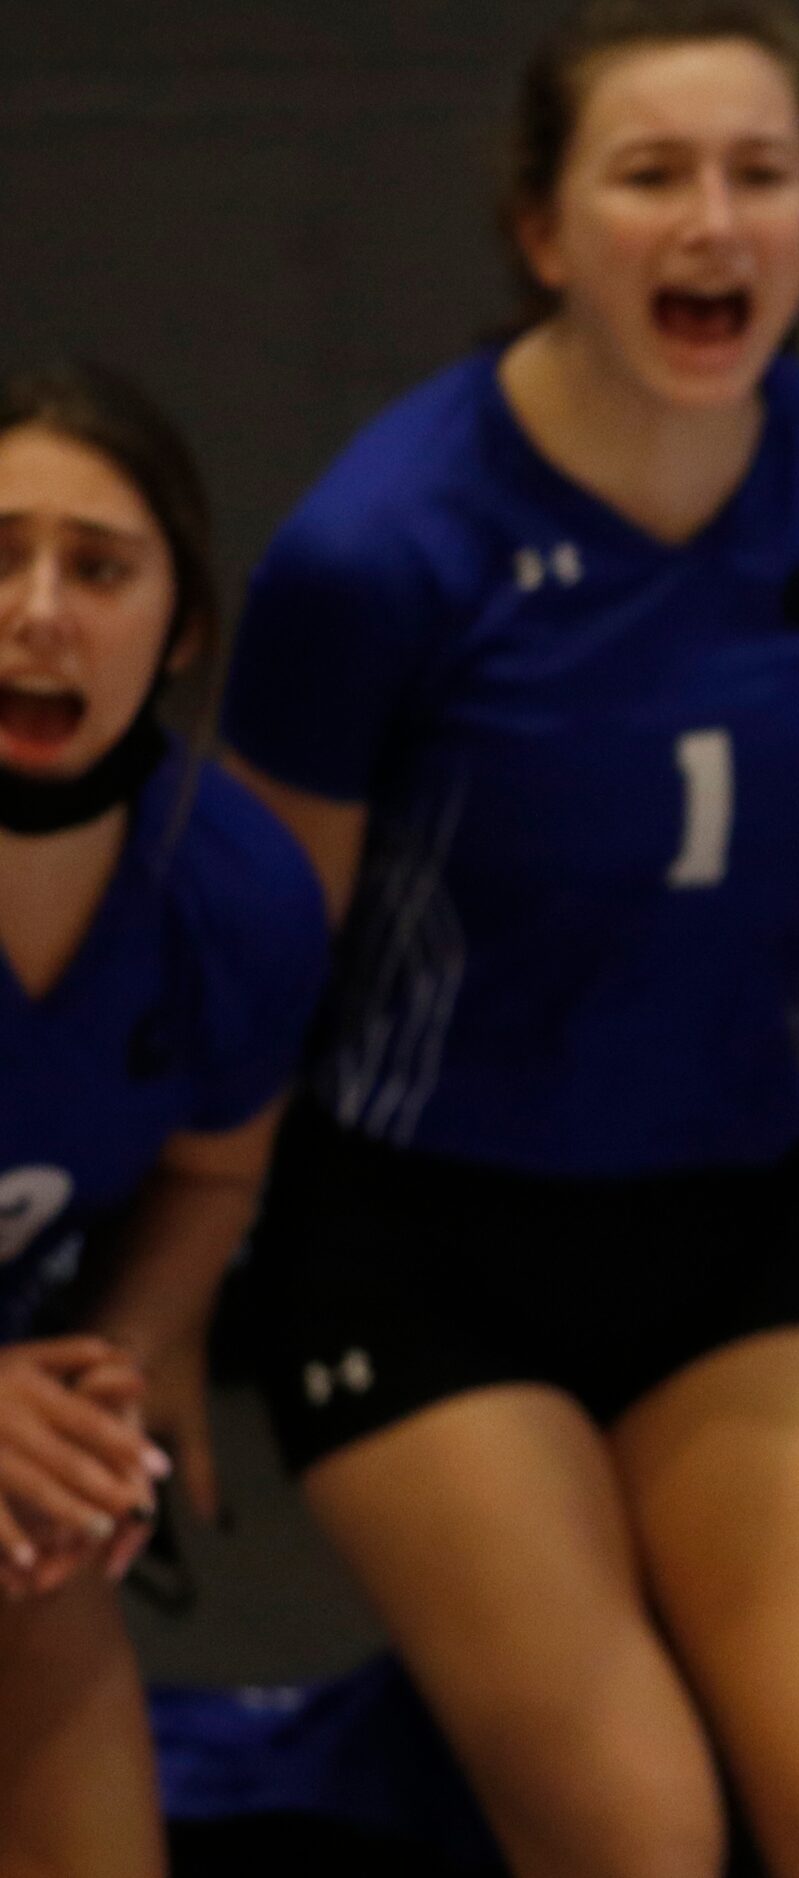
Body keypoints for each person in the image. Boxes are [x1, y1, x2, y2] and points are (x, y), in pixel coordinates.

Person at [218, 5, 799, 1873]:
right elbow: (256, 964)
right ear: (541, 227)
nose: (712, 224)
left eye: (760, 173)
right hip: (422, 1245)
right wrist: (174, 1307)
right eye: (650, 175)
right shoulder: (380, 551)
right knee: (641, 1835)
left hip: (739, 1228)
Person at [0, 360, 326, 1878]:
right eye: (0, 557)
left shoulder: (234, 890)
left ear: (179, 625)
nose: (41, 608)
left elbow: (215, 1168)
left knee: (42, 1560)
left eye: (99, 566)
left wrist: (109, 1375)